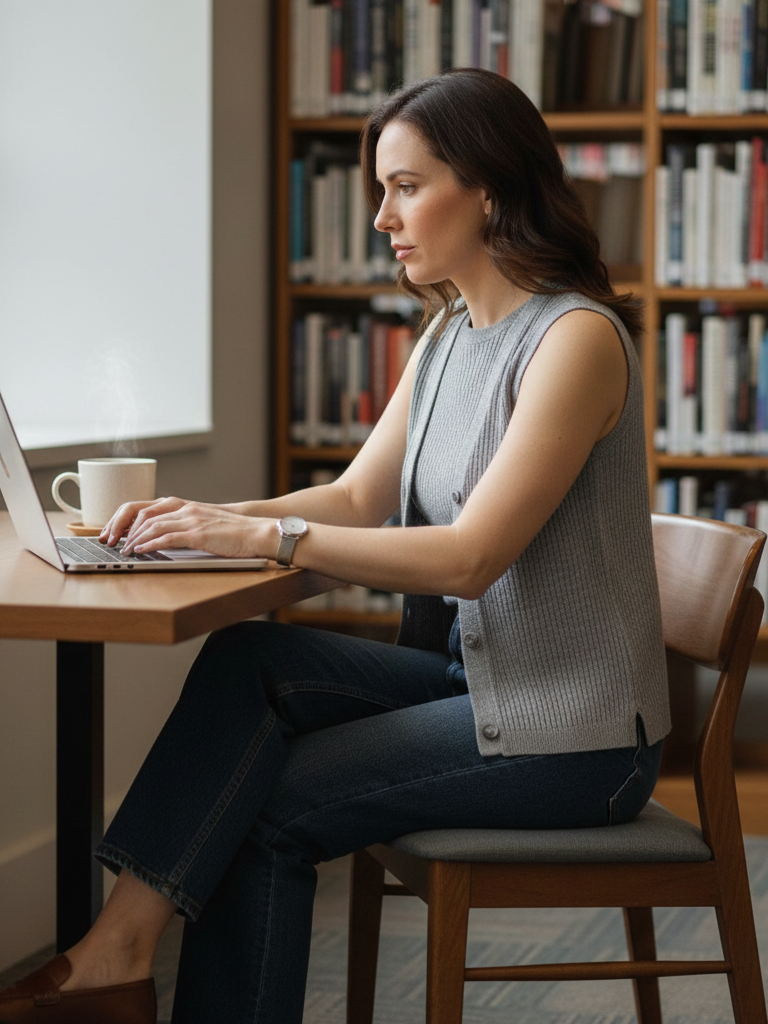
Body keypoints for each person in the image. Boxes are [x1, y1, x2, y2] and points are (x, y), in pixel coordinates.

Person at [0, 68, 670, 1024]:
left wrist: (262, 534)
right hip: (474, 685)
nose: (380, 217)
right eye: (380, 190)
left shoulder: (574, 340)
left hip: (574, 732)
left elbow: (471, 556)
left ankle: (113, 965)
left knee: (265, 806)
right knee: (248, 661)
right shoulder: (448, 335)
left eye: (404, 186)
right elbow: (359, 495)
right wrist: (194, 520)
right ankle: (118, 951)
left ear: (486, 187)